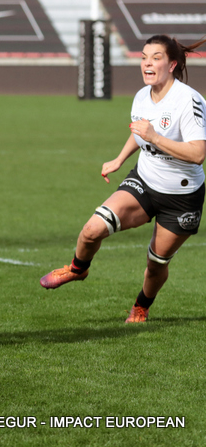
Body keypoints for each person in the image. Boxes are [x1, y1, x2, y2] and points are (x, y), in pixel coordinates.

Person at [40, 35, 206, 323]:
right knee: (92, 229)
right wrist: (119, 159)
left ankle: (141, 307)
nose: (147, 63)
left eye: (155, 57)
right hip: (144, 180)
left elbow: (197, 154)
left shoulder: (189, 100)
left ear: (172, 64)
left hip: (181, 196)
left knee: (155, 264)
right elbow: (139, 131)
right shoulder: (142, 95)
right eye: (143, 57)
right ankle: (78, 269)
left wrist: (155, 136)